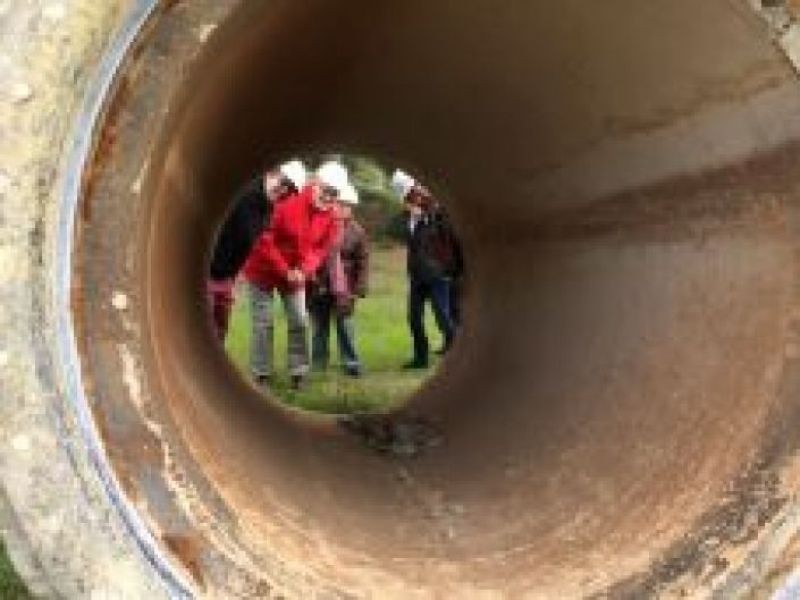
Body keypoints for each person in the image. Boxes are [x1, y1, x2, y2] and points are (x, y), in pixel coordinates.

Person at [243, 161, 348, 389]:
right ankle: (261, 374)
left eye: (334, 194)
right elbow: (264, 237)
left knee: (300, 319)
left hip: (297, 274)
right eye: (326, 191)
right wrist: (284, 269)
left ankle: (299, 372)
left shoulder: (333, 216)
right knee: (264, 321)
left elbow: (321, 248)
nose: (329, 198)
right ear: (315, 183)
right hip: (263, 267)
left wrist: (304, 270)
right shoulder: (288, 200)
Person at [206, 160, 305, 341]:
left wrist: (232, 280)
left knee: (220, 329)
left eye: (290, 190)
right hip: (207, 272)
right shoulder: (243, 194)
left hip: (226, 276)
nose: (284, 191)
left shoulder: (268, 207)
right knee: (204, 329)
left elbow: (246, 244)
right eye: (284, 184)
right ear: (272, 173)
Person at [391, 170, 457, 369]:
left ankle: (459, 352)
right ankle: (420, 358)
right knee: (414, 319)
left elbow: (448, 237)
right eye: (410, 195)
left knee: (443, 317)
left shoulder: (438, 211)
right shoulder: (408, 216)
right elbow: (392, 230)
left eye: (416, 192)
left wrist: (426, 215)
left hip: (438, 275)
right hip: (417, 276)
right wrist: (411, 216)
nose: (415, 197)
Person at [307, 183, 369, 377]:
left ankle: (351, 363)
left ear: (351, 208)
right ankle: (318, 364)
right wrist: (313, 278)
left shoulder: (358, 231)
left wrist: (360, 286)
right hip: (320, 284)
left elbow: (363, 261)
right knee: (319, 326)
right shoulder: (320, 224)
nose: (341, 208)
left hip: (346, 287)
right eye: (338, 204)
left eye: (346, 205)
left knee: (345, 326)